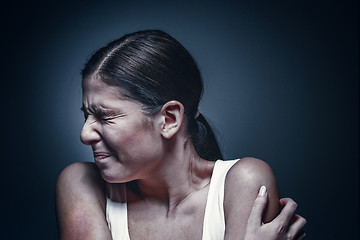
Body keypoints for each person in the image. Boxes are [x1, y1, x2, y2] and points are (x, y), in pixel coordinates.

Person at [55, 30, 306, 240]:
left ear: (169, 119)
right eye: (86, 115)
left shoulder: (244, 180)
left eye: (105, 116)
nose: (85, 134)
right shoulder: (81, 183)